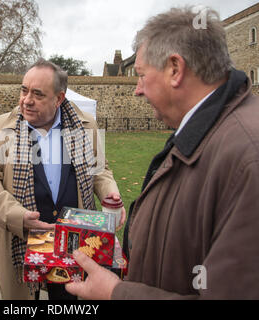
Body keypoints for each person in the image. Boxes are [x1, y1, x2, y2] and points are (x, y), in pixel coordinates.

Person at [65, 6, 259, 300]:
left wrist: (117, 293)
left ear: (175, 69)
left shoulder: (247, 156)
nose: (136, 90)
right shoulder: (205, 131)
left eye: (141, 75)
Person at [0, 59, 126, 300]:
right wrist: (18, 217)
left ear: (59, 98)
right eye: (24, 90)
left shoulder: (85, 126)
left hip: (75, 240)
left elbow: (100, 170)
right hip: (20, 240)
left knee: (69, 299)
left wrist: (110, 192)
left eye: (38, 94)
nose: (26, 100)